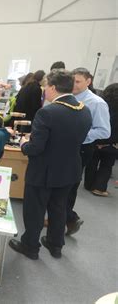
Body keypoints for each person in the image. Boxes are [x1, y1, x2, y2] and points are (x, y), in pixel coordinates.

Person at [9, 70, 92, 260]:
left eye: (46, 86)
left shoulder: (47, 112)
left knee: (35, 209)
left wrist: (23, 144)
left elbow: (36, 148)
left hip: (44, 170)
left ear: (53, 88)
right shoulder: (84, 109)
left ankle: (30, 245)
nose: (44, 89)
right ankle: (56, 245)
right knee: (58, 207)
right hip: (70, 169)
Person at [65, 67, 110, 235]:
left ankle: (70, 218)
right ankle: (63, 217)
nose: (74, 85)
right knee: (61, 184)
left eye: (78, 81)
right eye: (72, 81)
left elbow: (104, 131)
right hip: (65, 146)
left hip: (82, 148)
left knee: (69, 185)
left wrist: (79, 137)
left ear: (88, 81)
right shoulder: (69, 98)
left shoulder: (96, 103)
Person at [84, 83, 118, 197]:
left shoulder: (100, 104)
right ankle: (99, 188)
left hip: (97, 138)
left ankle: (88, 184)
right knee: (106, 165)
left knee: (92, 162)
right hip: (112, 141)